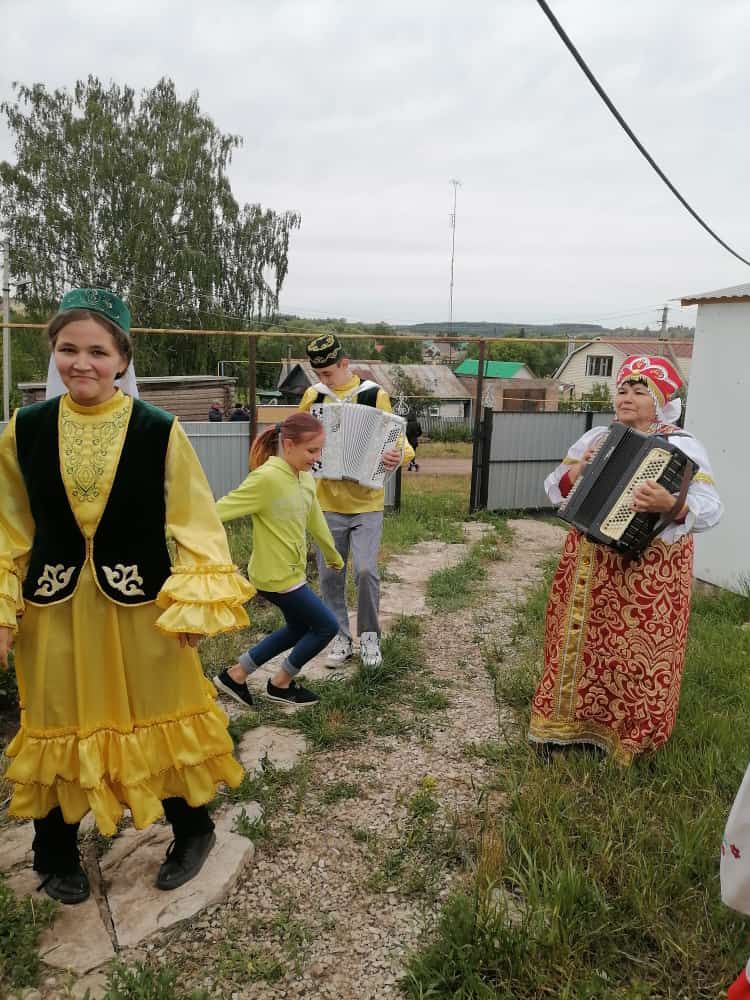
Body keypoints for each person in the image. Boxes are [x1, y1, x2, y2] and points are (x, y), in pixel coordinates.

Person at [0, 288, 254, 905]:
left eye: (96, 351)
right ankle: (53, 848)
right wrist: (4, 611)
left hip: (143, 608)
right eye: (67, 349)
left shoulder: (158, 430)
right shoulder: (23, 429)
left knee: (162, 712)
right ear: (52, 353)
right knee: (58, 719)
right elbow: (9, 526)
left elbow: (196, 522)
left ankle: (192, 830)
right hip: (55, 610)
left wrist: (195, 606)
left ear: (122, 359)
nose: (80, 363)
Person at [528, 355, 723, 764]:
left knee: (635, 654)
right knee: (576, 645)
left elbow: (711, 506)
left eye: (639, 392)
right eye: (622, 390)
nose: (627, 398)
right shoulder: (597, 438)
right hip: (589, 562)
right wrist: (575, 470)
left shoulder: (682, 445)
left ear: (660, 402)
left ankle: (629, 740)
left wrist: (672, 502)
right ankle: (564, 730)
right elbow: (554, 488)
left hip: (649, 569)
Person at [212, 413, 344, 707]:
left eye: (320, 450)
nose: (317, 457)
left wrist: (332, 553)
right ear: (288, 445)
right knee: (326, 627)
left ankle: (235, 675)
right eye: (312, 450)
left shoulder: (305, 479)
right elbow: (217, 511)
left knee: (298, 628)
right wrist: (172, 529)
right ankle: (280, 683)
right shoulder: (266, 479)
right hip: (273, 576)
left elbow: (315, 519)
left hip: (291, 573)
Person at [298, 334, 414, 669]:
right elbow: (299, 437)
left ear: (344, 364)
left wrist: (399, 455)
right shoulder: (313, 396)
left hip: (366, 501)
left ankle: (369, 638)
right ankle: (340, 637)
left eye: (329, 374)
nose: (323, 380)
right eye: (318, 375)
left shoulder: (373, 394)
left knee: (365, 570)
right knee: (331, 573)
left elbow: (397, 438)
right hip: (326, 501)